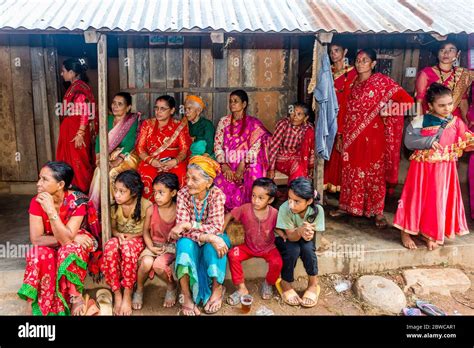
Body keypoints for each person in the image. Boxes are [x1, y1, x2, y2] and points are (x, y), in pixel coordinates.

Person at [331, 48, 414, 228]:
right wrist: (340, 135)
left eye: (365, 60)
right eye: (358, 60)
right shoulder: (352, 83)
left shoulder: (382, 82)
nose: (360, 63)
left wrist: (388, 112)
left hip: (375, 138)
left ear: (374, 64)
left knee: (374, 175)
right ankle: (347, 206)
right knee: (349, 172)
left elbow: (408, 101)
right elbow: (344, 111)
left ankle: (377, 212)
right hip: (351, 138)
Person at [394, 83, 473, 250]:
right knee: (415, 198)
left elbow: (467, 140)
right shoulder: (421, 120)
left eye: (450, 104)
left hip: (445, 170)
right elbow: (408, 142)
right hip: (421, 169)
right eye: (441, 105)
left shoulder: (457, 122)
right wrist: (429, 142)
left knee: (436, 201)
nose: (447, 108)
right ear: (430, 105)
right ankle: (406, 232)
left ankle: (429, 233)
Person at [18, 161, 100, 316]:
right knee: (38, 253)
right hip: (64, 239)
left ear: (61, 184)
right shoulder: (37, 202)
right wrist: (72, 236)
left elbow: (67, 243)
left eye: (44, 179)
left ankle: (75, 297)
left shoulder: (78, 202)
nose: (38, 184)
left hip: (73, 246)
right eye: (39, 179)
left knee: (69, 249)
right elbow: (36, 239)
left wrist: (51, 212)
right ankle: (33, 300)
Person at [169, 156, 229, 316]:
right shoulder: (183, 194)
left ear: (208, 183)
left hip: (207, 237)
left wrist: (192, 225)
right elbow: (182, 229)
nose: (188, 182)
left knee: (218, 244)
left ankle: (217, 289)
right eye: (187, 177)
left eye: (194, 179)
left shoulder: (217, 195)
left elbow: (216, 227)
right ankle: (186, 295)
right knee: (184, 244)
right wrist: (208, 237)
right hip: (195, 239)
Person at [100, 170, 152, 315]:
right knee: (110, 246)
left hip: (138, 240)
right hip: (121, 238)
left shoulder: (146, 205)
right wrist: (119, 235)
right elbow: (114, 228)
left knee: (128, 249)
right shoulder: (114, 207)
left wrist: (132, 236)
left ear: (134, 192)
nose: (116, 194)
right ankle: (117, 293)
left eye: (122, 191)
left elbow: (148, 231)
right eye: (115, 190)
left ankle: (128, 293)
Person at [225, 178, 282, 305]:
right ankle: (241, 288)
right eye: (253, 195)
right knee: (232, 255)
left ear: (270, 200)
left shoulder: (274, 213)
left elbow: (279, 227)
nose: (255, 200)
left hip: (268, 247)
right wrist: (219, 232)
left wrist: (285, 235)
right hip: (248, 246)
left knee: (277, 262)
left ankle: (268, 283)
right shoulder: (245, 209)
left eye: (261, 198)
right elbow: (229, 215)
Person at [214, 89, 271, 211]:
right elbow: (218, 145)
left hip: (246, 161)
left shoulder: (253, 123)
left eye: (236, 101)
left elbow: (256, 147)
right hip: (228, 160)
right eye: (230, 101)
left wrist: (242, 163)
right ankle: (231, 211)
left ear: (244, 104)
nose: (232, 104)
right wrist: (224, 165)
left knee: (255, 172)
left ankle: (251, 209)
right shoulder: (223, 121)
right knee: (220, 179)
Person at [275, 177, 324, 308]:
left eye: (297, 201)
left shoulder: (317, 210)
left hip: (301, 237)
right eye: (289, 199)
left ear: (309, 201)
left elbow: (311, 237)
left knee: (308, 249)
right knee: (293, 250)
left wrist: (307, 234)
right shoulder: (285, 208)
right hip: (285, 237)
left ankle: (313, 283)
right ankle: (285, 283)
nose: (291, 204)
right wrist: (300, 231)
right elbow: (290, 237)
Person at [133, 173, 179, 310]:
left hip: (171, 247)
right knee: (147, 263)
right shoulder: (151, 210)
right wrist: (151, 247)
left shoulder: (178, 210)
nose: (156, 196)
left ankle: (171, 286)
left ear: (173, 193)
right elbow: (145, 231)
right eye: (155, 192)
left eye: (161, 192)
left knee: (159, 265)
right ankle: (139, 289)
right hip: (153, 244)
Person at [89, 92, 140, 210]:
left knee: (112, 173)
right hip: (108, 155)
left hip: (127, 155)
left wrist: (118, 159)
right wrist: (99, 157)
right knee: (99, 171)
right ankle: (97, 208)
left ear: (128, 108)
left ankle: (114, 206)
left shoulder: (132, 121)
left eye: (120, 104)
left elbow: (131, 143)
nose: (115, 106)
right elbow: (99, 139)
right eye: (114, 103)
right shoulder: (108, 119)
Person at [136, 95, 192, 199]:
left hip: (173, 161)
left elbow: (184, 149)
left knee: (180, 173)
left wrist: (174, 162)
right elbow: (140, 148)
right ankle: (150, 209)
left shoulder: (179, 125)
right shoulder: (147, 124)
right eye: (156, 108)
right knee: (147, 173)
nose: (158, 111)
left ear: (172, 110)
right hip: (152, 160)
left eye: (163, 109)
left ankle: (178, 208)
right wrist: (152, 161)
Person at [56, 58, 97, 193]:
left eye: (63, 71)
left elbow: (85, 111)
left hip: (77, 130)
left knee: (79, 162)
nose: (62, 74)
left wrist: (80, 133)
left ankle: (82, 192)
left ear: (72, 72)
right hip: (70, 128)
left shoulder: (79, 88)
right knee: (70, 161)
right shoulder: (74, 86)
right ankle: (71, 190)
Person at [324, 42, 358, 193]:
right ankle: (327, 185)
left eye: (337, 50)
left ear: (345, 51)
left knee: (343, 150)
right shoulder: (327, 71)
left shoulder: (354, 73)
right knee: (329, 150)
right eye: (331, 51)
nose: (333, 54)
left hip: (347, 115)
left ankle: (344, 189)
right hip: (329, 115)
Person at [415, 40, 473, 124]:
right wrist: (419, 123)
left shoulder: (463, 74)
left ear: (458, 54)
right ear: (438, 53)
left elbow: (463, 101)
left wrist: (466, 121)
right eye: (442, 50)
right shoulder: (426, 73)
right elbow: (418, 102)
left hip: (455, 121)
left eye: (451, 50)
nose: (446, 53)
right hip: (433, 120)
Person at [267, 103, 315, 183]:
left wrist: (311, 167)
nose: (294, 117)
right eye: (293, 113)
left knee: (299, 166)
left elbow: (312, 149)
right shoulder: (283, 124)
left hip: (300, 159)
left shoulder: (309, 129)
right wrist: (271, 168)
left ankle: (294, 193)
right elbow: (273, 147)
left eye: (299, 114)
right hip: (283, 158)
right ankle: (296, 193)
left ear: (305, 118)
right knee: (299, 168)